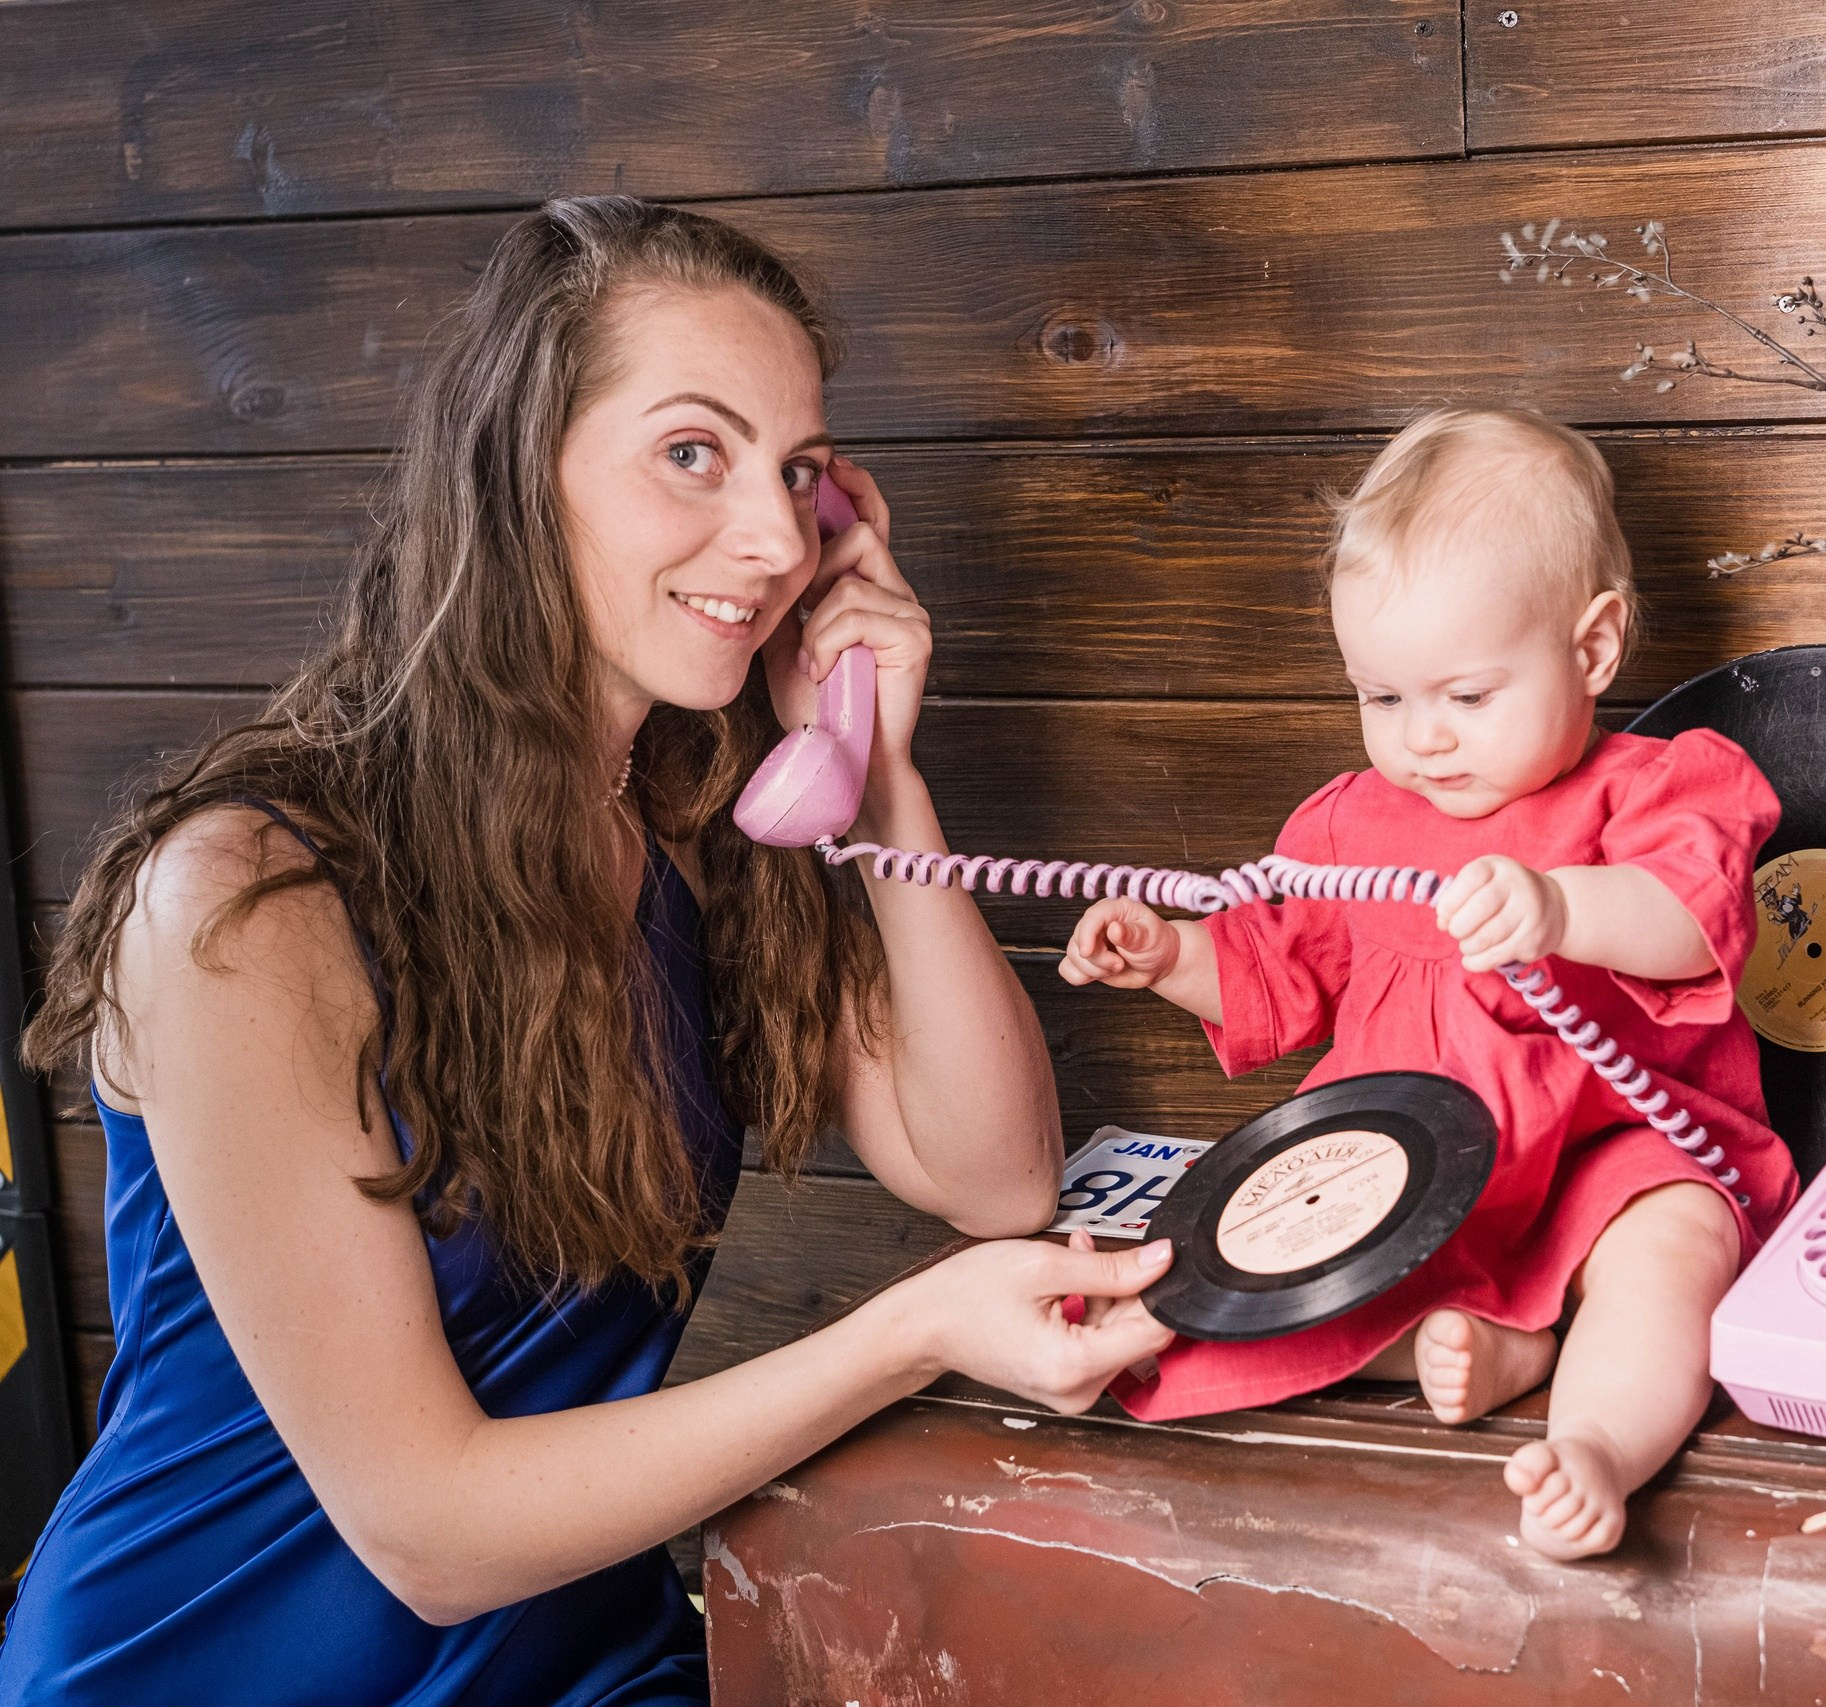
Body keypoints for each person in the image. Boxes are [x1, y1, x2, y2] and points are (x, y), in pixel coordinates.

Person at [0, 197, 1170, 1706]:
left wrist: (877, 768)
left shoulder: (706, 833)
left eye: (797, 472)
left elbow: (995, 1173)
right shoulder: (246, 898)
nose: (773, 540)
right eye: (693, 452)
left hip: (578, 1657)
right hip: (208, 1668)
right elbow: (427, 1528)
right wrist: (913, 1332)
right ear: (517, 473)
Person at [1060, 406, 1797, 1559]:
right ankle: (1487, 1345)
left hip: (1609, 1159)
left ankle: (1594, 1443)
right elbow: (1277, 978)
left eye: (1465, 696)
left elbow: (1691, 923)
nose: (1424, 740)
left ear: (1592, 650)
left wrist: (1560, 908)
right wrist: (1170, 958)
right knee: (1254, 1288)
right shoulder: (1351, 826)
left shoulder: (1654, 790)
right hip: (1408, 1176)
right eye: (1383, 698)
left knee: (1675, 1249)